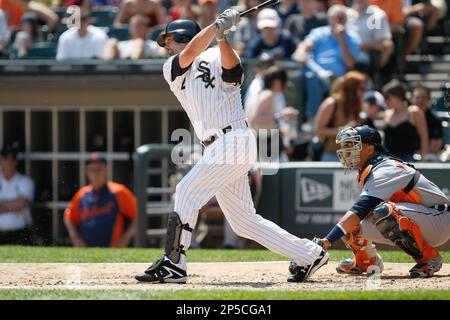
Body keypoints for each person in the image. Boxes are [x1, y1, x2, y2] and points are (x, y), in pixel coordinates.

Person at [135, 16, 328, 284]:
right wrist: (215, 26)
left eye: (169, 39)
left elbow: (232, 69)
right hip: (219, 146)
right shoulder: (171, 67)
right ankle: (310, 254)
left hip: (233, 138)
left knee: (185, 191)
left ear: (181, 35)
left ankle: (174, 263)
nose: (166, 45)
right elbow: (190, 52)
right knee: (244, 222)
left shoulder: (218, 52)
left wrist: (222, 38)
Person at [311, 125, 450, 278]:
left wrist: (327, 241)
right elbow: (356, 216)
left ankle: (429, 258)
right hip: (421, 217)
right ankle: (367, 261)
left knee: (382, 213)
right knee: (351, 225)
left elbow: (358, 210)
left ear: (370, 149)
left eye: (353, 145)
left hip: (440, 219)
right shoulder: (372, 168)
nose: (347, 150)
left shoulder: (386, 168)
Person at [294, 4, 361, 121]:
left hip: (339, 78)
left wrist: (342, 41)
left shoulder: (352, 37)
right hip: (317, 75)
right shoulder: (319, 33)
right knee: (312, 79)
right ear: (329, 19)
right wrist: (303, 51)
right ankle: (313, 120)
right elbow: (304, 48)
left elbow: (350, 63)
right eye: (336, 18)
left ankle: (339, 121)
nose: (339, 21)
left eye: (342, 18)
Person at [64, 153, 137, 247]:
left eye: (99, 169)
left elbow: (138, 215)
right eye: (92, 170)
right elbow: (68, 217)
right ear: (87, 173)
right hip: (86, 251)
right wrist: (75, 238)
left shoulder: (118, 191)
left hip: (112, 250)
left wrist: (125, 239)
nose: (95, 174)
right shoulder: (82, 194)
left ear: (106, 171)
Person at [248, 65, 299, 162]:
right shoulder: (268, 95)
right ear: (276, 82)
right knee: (269, 175)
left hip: (266, 139)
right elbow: (254, 119)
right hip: (263, 140)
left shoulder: (267, 94)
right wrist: (280, 116)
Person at [314, 70, 365, 161]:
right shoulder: (332, 103)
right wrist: (343, 130)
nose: (363, 92)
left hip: (352, 158)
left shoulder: (356, 106)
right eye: (361, 89)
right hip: (331, 156)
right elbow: (318, 130)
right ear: (351, 89)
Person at [382, 79, 429, 162]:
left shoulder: (414, 111)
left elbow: (424, 137)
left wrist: (423, 158)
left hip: (408, 161)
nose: (385, 101)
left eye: (387, 97)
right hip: (388, 160)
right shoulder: (387, 114)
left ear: (397, 96)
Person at [0, 144, 34, 245]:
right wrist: (14, 206)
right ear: (1, 160)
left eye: (12, 159)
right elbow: (18, 205)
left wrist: (2, 206)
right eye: (6, 158)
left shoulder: (25, 181)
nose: (9, 162)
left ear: (16, 161)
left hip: (20, 234)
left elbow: (23, 204)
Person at [347, 0, 394, 70]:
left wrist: (363, 46)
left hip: (366, 53)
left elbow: (385, 44)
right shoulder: (345, 14)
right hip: (344, 50)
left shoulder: (377, 15)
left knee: (361, 60)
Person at [410, 84, 444, 160]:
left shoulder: (436, 120)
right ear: (412, 99)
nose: (420, 101)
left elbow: (435, 146)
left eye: (423, 98)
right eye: (417, 97)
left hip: (427, 157)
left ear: (429, 100)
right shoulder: (405, 118)